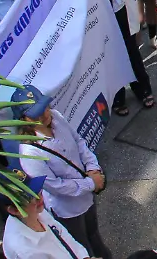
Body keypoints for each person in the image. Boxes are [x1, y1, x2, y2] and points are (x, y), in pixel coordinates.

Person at [10, 84, 112, 259]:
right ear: (23, 119)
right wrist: (91, 183)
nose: (43, 115)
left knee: (94, 234)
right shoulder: (29, 152)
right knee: (81, 246)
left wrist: (93, 167)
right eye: (35, 114)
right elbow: (55, 186)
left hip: (87, 194)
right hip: (68, 209)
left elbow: (79, 142)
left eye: (44, 109)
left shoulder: (56, 117)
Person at [0, 163, 92, 259]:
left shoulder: (35, 212)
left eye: (37, 190)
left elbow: (65, 237)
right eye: (30, 197)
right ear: (14, 210)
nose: (40, 198)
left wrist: (84, 257)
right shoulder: (25, 251)